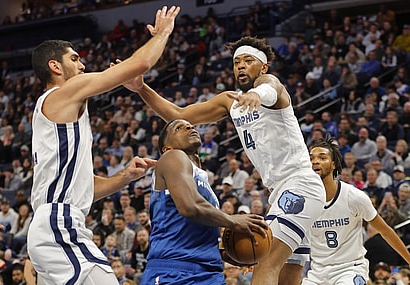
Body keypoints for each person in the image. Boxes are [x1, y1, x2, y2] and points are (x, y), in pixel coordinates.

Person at [126, 36, 326, 285]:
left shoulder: (269, 87)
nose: (241, 66)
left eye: (249, 61)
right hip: (279, 192)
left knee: (265, 261)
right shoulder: (230, 102)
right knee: (289, 273)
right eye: (236, 62)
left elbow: (271, 87)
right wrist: (141, 89)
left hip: (299, 185)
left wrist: (257, 94)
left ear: (263, 66)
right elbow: (178, 114)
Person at [26, 6, 180, 285]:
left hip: (52, 223)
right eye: (74, 59)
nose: (82, 65)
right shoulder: (63, 92)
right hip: (59, 224)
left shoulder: (58, 113)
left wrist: (125, 177)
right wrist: (164, 33)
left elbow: (84, 188)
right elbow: (140, 64)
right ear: (55, 66)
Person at [140, 119, 267, 284]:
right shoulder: (172, 156)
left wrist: (226, 250)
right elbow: (189, 207)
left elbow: (194, 223)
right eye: (178, 128)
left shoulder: (203, 181)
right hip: (173, 270)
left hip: (209, 271)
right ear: (167, 148)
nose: (189, 126)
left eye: (190, 125)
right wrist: (232, 221)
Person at [304, 137, 410, 284]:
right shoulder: (304, 200)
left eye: (322, 157)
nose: (315, 161)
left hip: (350, 269)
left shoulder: (354, 197)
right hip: (317, 272)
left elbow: (385, 231)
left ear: (334, 164)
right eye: (311, 158)